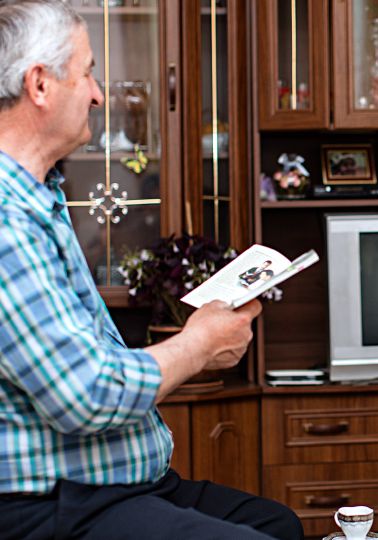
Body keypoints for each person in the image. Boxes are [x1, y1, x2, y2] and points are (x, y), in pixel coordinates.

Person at [0, 2, 302, 538]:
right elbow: (85, 394)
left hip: (117, 484)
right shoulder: (6, 222)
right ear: (40, 84)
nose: (97, 94)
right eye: (89, 71)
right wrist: (199, 346)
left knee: (277, 523)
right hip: (57, 502)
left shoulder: (39, 199)